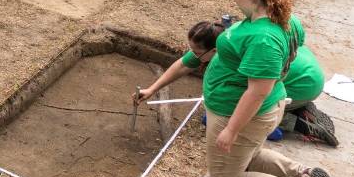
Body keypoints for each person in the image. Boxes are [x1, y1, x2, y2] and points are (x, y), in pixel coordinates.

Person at [197, 0, 347, 177]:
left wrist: (231, 129)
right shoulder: (283, 19)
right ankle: (304, 173)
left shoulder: (263, 38)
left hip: (243, 112)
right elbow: (293, 45)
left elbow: (257, 92)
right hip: (264, 109)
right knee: (250, 155)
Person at [135, 17, 338, 146]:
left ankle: (296, 123)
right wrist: (152, 89)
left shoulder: (232, 61)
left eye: (196, 52)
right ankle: (298, 107)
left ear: (214, 51)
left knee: (226, 118)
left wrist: (231, 127)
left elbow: (255, 95)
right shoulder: (231, 37)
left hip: (303, 83)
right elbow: (182, 65)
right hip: (307, 71)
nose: (193, 56)